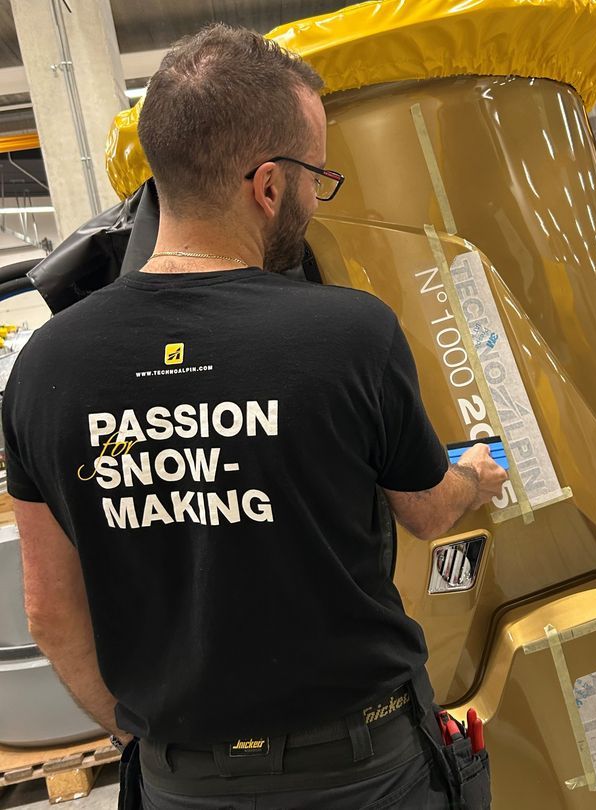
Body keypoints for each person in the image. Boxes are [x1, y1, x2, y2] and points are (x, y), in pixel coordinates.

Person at [2, 24, 507, 810]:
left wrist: (144, 740)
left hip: (180, 781)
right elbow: (426, 511)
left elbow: (48, 613)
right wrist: (474, 475)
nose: (315, 196)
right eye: (317, 176)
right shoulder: (350, 334)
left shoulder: (43, 368)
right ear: (268, 185)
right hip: (362, 773)